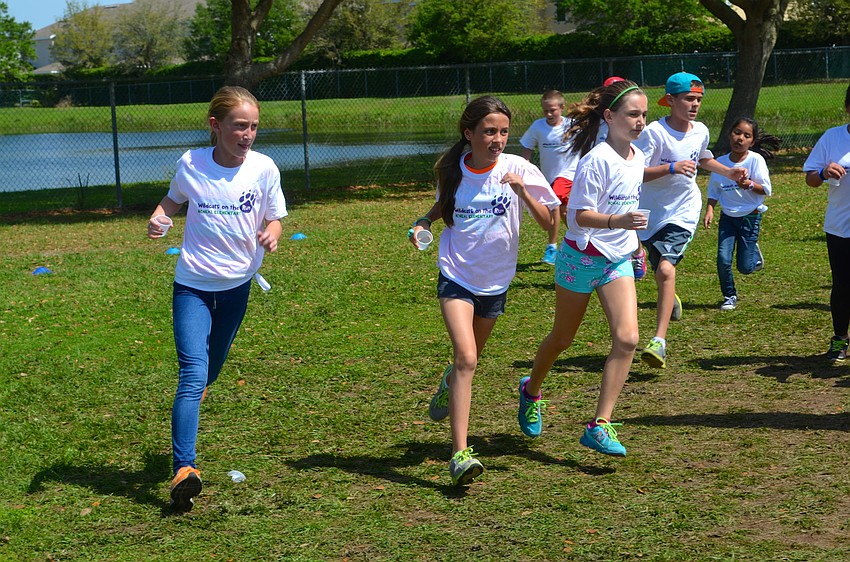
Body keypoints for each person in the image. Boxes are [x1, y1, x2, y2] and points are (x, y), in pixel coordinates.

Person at [146, 86, 286, 511]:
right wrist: (159, 217)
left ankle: (191, 412)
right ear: (216, 126)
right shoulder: (192, 164)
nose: (248, 135)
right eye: (239, 126)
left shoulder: (263, 168)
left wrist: (272, 235)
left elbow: (275, 217)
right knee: (192, 372)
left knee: (209, 375)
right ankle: (184, 468)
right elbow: (170, 203)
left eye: (254, 127)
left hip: (237, 287)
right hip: (192, 286)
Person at [411, 95, 560, 486]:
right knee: (467, 358)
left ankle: (448, 384)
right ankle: (460, 454)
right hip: (456, 274)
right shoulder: (452, 167)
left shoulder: (519, 168)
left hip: (497, 281)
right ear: (469, 133)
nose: (497, 139)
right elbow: (445, 204)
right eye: (489, 131)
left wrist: (522, 192)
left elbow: (549, 224)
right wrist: (424, 221)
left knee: (470, 358)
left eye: (504, 132)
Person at [517, 79, 649, 457]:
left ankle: (599, 424)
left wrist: (635, 244)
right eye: (632, 114)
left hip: (616, 260)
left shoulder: (637, 157)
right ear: (609, 116)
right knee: (562, 339)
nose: (639, 122)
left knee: (627, 339)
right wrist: (617, 222)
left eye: (643, 115)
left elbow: (631, 207)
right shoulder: (596, 160)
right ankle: (531, 389)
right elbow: (576, 218)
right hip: (580, 258)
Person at [633, 72, 747, 369]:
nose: (695, 105)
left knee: (666, 269)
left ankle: (659, 341)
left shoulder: (700, 131)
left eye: (698, 99)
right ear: (670, 100)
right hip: (650, 212)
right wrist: (671, 167)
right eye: (689, 99)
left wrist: (729, 172)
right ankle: (670, 297)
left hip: (684, 209)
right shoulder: (654, 133)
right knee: (661, 270)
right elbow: (636, 172)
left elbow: (703, 159)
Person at [703, 118, 781, 311]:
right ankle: (729, 296)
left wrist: (750, 185)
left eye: (747, 136)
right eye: (737, 132)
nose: (740, 138)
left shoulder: (755, 160)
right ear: (730, 134)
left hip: (750, 217)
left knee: (746, 268)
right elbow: (714, 190)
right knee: (723, 258)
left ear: (752, 142)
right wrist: (710, 209)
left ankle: (753, 253)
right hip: (728, 218)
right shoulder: (720, 163)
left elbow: (766, 190)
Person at [803, 82, 850, 362]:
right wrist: (822, 172)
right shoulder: (833, 138)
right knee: (843, 284)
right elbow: (810, 179)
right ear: (847, 108)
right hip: (840, 226)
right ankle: (840, 339)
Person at [520, 90, 579, 265]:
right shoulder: (538, 127)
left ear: (562, 108)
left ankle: (552, 247)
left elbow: (591, 139)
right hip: (549, 178)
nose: (549, 114)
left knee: (555, 206)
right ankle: (583, 239)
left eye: (552, 110)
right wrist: (525, 166)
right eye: (545, 110)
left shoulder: (573, 126)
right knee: (563, 212)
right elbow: (526, 146)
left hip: (568, 175)